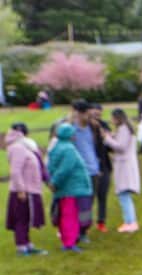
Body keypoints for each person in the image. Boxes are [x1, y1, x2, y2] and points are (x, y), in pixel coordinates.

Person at [46, 123, 93, 252]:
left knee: (65, 215)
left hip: (66, 189)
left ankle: (69, 240)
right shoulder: (68, 149)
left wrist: (52, 182)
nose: (75, 136)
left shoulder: (56, 147)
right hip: (72, 188)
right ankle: (69, 243)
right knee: (70, 216)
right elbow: (66, 168)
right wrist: (54, 182)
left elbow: (50, 168)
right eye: (73, 134)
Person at [6, 123, 48, 255]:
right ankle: (22, 247)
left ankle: (27, 244)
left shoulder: (26, 146)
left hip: (30, 189)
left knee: (26, 218)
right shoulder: (18, 147)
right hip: (24, 190)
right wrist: (20, 189)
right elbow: (15, 171)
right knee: (22, 219)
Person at [101, 109, 141, 233]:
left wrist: (107, 138)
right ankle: (129, 221)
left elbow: (121, 146)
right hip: (124, 164)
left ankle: (131, 222)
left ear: (117, 118)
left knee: (124, 194)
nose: (111, 121)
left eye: (112, 118)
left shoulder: (124, 129)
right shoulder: (124, 129)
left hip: (125, 166)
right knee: (124, 195)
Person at [66, 100, 101, 240]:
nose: (90, 115)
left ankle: (83, 230)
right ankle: (74, 229)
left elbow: (98, 148)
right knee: (77, 203)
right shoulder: (70, 129)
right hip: (79, 172)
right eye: (86, 113)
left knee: (88, 203)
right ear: (79, 114)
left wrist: (99, 166)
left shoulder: (93, 127)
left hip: (93, 171)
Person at [88, 103, 113, 232]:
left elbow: (111, 146)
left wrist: (107, 137)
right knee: (89, 197)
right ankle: (85, 224)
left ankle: (101, 222)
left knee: (102, 195)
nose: (97, 114)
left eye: (99, 112)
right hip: (90, 167)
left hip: (104, 165)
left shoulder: (104, 126)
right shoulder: (86, 128)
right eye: (94, 111)